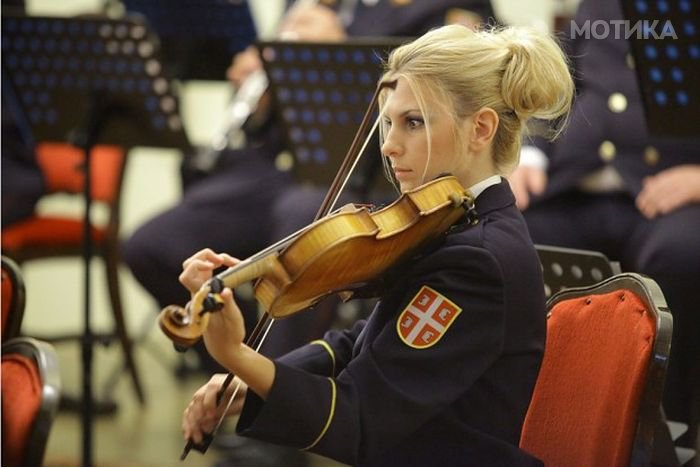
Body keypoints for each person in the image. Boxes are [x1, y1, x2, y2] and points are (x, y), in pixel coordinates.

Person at [178, 23, 574, 466]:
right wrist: (250, 383)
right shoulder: (449, 223)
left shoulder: (477, 258)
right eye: (387, 123)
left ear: (480, 128)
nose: (387, 145)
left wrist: (235, 355)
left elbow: (359, 419)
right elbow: (360, 344)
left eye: (413, 122)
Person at [123, 0, 497, 371]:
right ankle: (236, 378)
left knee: (303, 217)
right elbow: (265, 127)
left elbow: (451, 94)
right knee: (151, 246)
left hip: (379, 178)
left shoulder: (446, 8)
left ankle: (277, 397)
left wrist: (338, 46)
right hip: (281, 170)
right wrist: (267, 85)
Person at [508, 0, 700, 446]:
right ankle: (530, 421)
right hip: (574, 187)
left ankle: (660, 435)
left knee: (680, 258)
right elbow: (558, 85)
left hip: (672, 198)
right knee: (507, 239)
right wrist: (530, 154)